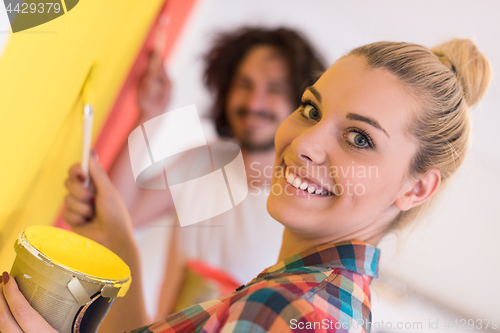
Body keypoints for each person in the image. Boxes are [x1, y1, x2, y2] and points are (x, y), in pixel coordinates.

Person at [0, 38, 491, 333]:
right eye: (312, 109)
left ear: (416, 189)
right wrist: (122, 240)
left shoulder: (297, 308)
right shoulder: (294, 281)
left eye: (359, 138)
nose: (305, 144)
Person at [107, 27, 325, 316]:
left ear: (301, 105)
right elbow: (121, 214)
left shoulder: (305, 205)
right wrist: (149, 113)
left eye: (274, 89)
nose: (253, 102)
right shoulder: (206, 162)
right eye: (244, 84)